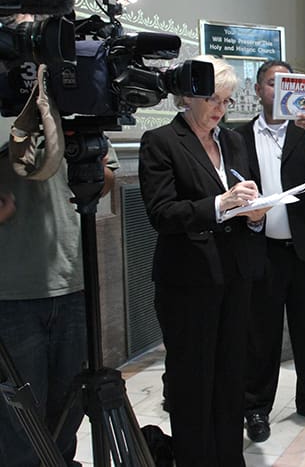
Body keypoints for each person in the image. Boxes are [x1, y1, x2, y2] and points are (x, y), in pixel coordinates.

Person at [138, 55, 268, 466]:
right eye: (212, 99)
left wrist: (255, 212)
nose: (219, 109)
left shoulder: (232, 141)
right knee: (193, 378)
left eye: (227, 101)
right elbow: (162, 214)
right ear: (187, 97)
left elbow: (244, 197)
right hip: (188, 280)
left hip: (234, 273)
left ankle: (229, 457)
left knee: (231, 373)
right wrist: (218, 204)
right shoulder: (161, 142)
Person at [237, 60, 305, 443]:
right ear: (258, 89)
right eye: (271, 83)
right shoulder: (237, 136)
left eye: (285, 83)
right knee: (261, 335)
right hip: (261, 250)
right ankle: (255, 407)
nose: (277, 90)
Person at [0, 138, 117, 467]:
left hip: (73, 280)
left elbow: (107, 177)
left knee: (69, 407)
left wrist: (92, 172)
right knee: (19, 421)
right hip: (11, 291)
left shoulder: (75, 99)